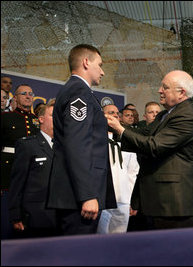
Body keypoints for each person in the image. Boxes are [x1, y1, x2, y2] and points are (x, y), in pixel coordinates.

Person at [106, 70, 193, 230]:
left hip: (172, 204)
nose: (159, 90)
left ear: (181, 92)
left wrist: (120, 130)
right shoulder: (165, 115)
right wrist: (115, 126)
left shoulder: (186, 116)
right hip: (156, 199)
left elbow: (155, 146)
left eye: (165, 87)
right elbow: (143, 134)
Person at [46, 44, 116, 235]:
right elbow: (78, 145)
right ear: (86, 62)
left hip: (74, 195)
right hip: (78, 198)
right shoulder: (79, 92)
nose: (102, 72)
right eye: (99, 65)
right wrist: (87, 195)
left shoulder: (77, 91)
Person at [8, 99, 58, 238]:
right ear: (41, 119)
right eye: (53, 115)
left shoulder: (64, 147)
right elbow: (17, 183)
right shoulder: (28, 145)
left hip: (60, 216)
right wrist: (15, 215)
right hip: (35, 216)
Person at [97, 104, 140, 234]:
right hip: (103, 199)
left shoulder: (127, 140)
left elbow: (133, 172)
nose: (115, 115)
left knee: (120, 241)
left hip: (123, 199)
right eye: (111, 113)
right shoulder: (95, 140)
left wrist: (131, 199)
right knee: (101, 240)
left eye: (116, 113)